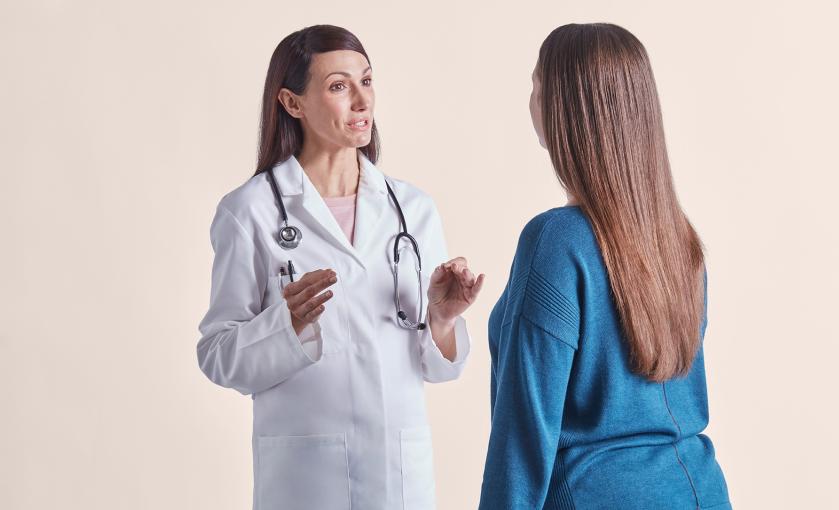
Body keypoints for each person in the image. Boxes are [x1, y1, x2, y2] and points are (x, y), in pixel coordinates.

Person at [196, 25, 484, 510]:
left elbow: (439, 369)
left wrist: (443, 319)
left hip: (400, 479)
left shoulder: (412, 210)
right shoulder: (250, 212)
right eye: (338, 86)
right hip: (307, 481)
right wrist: (283, 325)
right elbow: (218, 354)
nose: (361, 101)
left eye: (366, 82)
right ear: (293, 103)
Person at [478, 23, 731, 509]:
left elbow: (524, 434)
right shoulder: (680, 240)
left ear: (562, 109)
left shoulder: (555, 240)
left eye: (535, 86)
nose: (529, 100)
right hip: (700, 491)